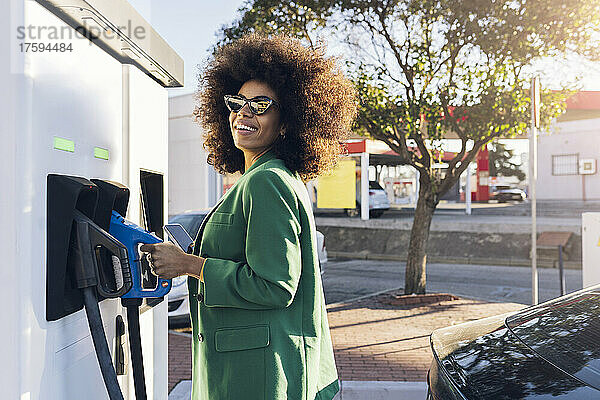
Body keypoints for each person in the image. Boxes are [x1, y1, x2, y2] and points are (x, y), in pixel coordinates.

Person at [140, 34, 357, 400]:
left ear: (288, 121)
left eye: (261, 104)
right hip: (254, 367)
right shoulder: (269, 177)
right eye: (238, 102)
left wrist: (189, 264)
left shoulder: (267, 182)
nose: (244, 112)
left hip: (259, 375)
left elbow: (275, 285)